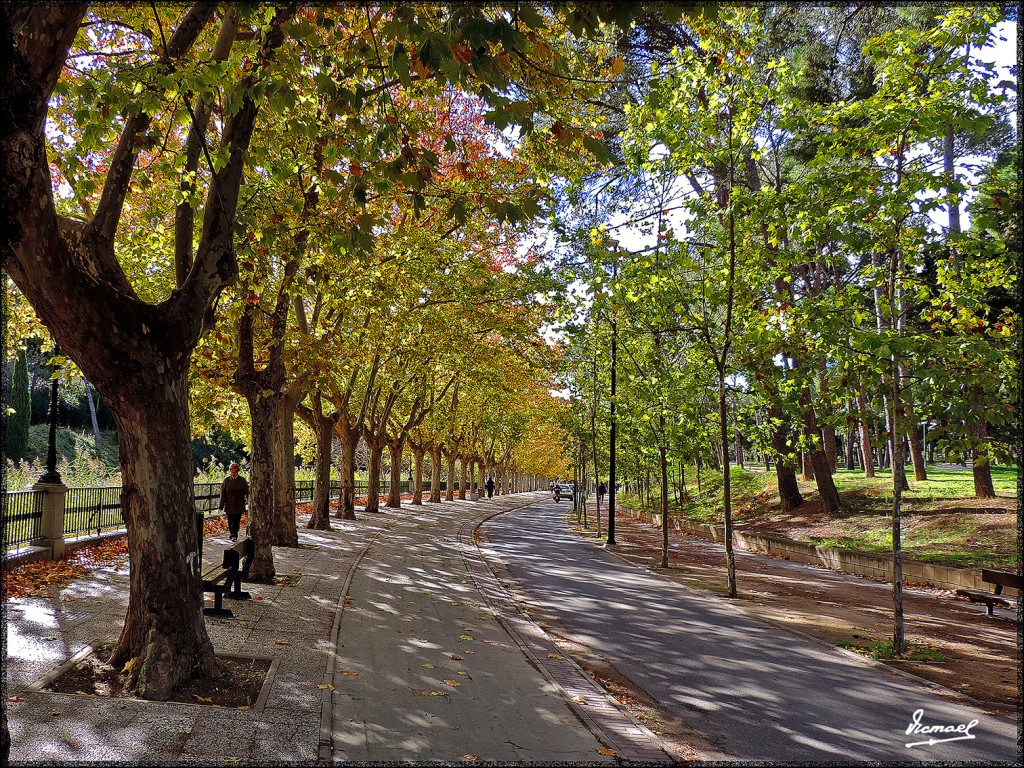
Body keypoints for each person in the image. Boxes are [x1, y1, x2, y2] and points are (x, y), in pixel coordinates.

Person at [219, 462, 249, 542]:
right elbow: (223, 494)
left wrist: (250, 503)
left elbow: (247, 492)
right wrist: (221, 505)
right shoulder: (226, 481)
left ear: (237, 472)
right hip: (229, 505)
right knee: (230, 520)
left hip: (239, 504)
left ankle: (234, 535)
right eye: (232, 472)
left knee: (236, 521)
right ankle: (232, 534)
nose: (233, 474)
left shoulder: (242, 481)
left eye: (235, 472)